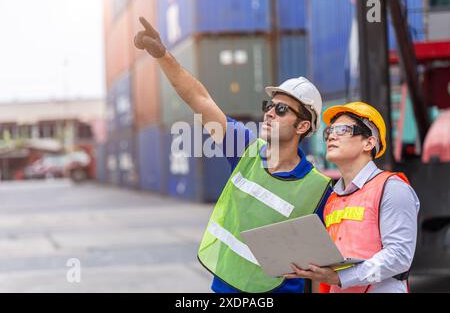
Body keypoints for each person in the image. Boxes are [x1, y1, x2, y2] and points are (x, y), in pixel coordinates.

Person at [134, 17, 332, 293]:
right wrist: (163, 55)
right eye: (270, 105)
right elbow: (200, 99)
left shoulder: (319, 189)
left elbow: (325, 267)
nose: (270, 112)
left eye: (282, 110)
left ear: (303, 126)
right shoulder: (244, 150)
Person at [284, 102, 420, 293]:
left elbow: (399, 257)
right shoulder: (333, 199)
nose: (331, 135)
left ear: (369, 143)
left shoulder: (392, 189)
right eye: (329, 131)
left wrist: (341, 277)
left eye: (343, 130)